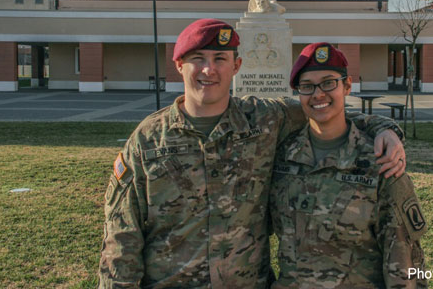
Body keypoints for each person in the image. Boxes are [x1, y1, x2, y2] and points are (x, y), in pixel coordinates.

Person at [98, 19, 406, 288]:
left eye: (220, 58)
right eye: (197, 58)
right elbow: (122, 237)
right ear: (179, 65)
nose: (209, 69)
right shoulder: (148, 140)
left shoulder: (264, 119)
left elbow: (323, 106)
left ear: (236, 66)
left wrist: (385, 128)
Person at [270, 42, 427, 288]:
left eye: (328, 83)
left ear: (347, 86)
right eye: (307, 86)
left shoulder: (380, 161)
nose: (318, 94)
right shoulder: (281, 158)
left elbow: (404, 264)